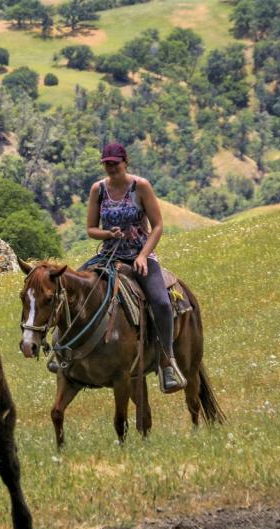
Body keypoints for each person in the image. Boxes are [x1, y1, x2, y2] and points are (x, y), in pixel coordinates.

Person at [84, 143, 185, 393]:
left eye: (115, 163)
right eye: (107, 164)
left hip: (140, 255)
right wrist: (107, 232)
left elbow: (158, 225)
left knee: (161, 301)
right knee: (72, 286)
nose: (111, 168)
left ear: (125, 162)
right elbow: (90, 229)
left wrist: (143, 255)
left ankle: (167, 361)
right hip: (109, 255)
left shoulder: (140, 186)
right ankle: (63, 351)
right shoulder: (98, 189)